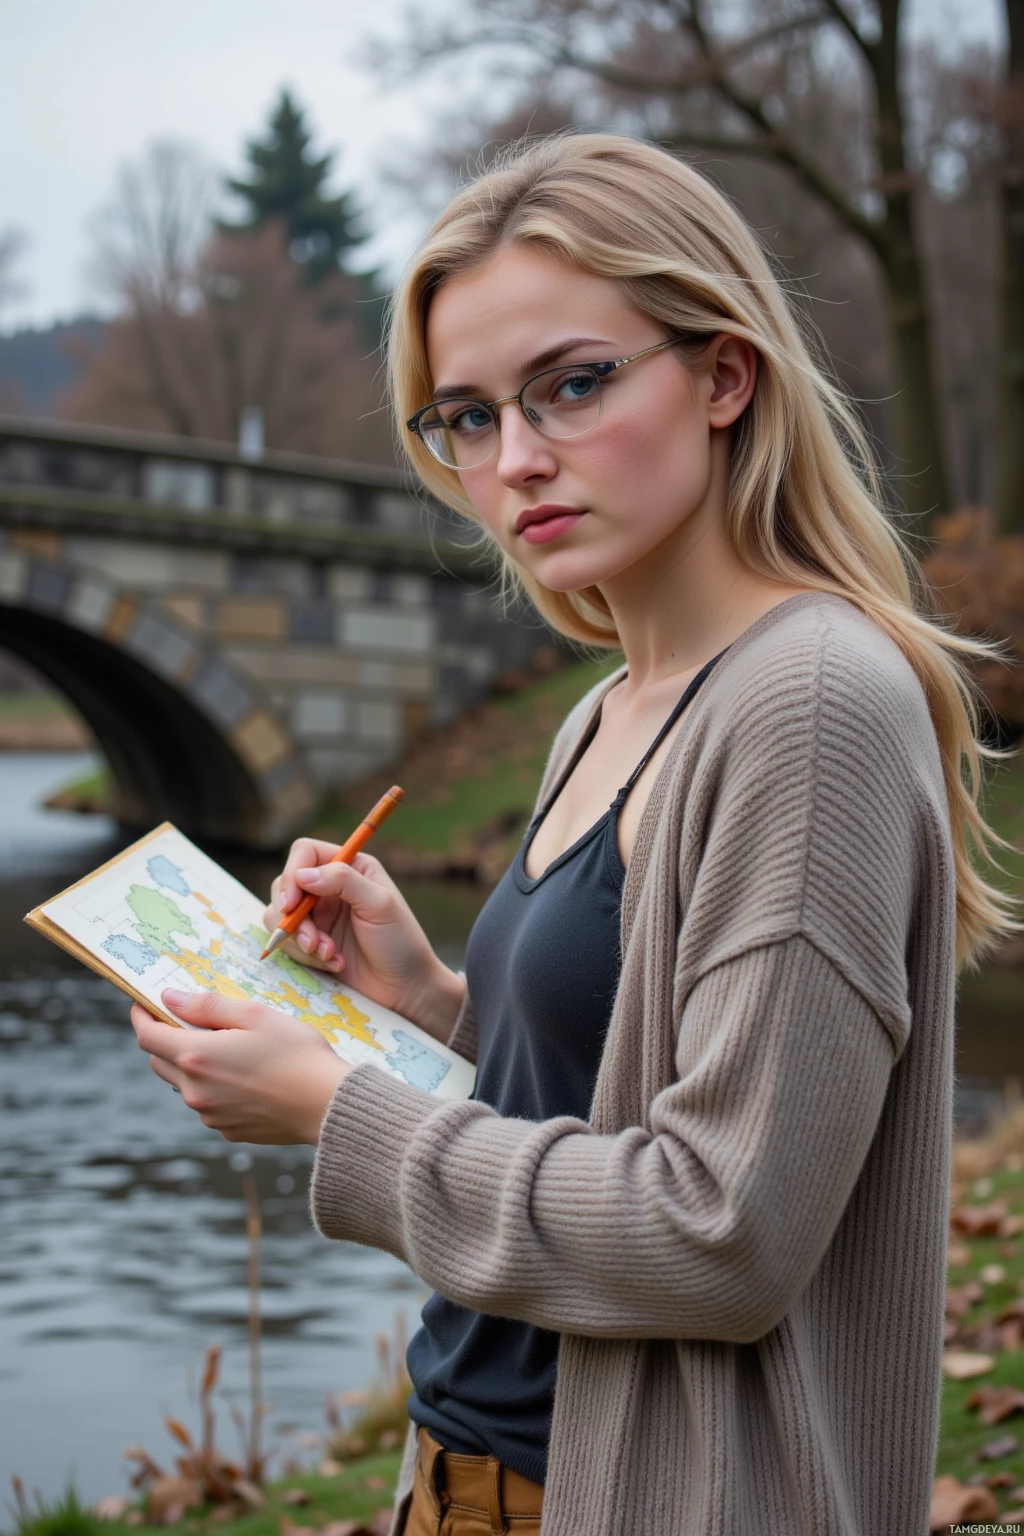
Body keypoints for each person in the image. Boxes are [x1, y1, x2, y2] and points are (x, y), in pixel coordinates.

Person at [131, 133, 1019, 1536]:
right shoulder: (605, 711)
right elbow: (615, 1092)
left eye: (574, 383)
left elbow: (724, 1230)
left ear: (725, 376)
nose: (518, 459)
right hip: (459, 1477)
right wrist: (428, 1006)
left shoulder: (811, 703)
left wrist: (336, 1110)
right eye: (468, 416)